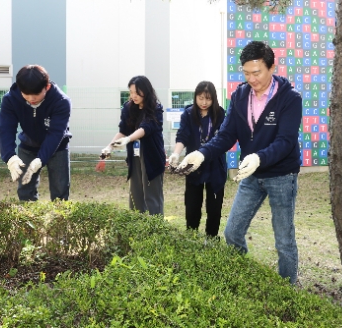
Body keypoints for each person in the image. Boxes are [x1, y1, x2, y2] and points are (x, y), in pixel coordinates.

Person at [176, 41, 302, 284]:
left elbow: (286, 141)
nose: (251, 79)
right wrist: (202, 154)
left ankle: (288, 289)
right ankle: (244, 280)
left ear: (272, 68)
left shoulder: (289, 98)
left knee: (283, 239)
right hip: (250, 175)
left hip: (281, 175)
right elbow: (225, 135)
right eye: (246, 73)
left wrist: (259, 157)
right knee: (232, 232)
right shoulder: (240, 95)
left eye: (257, 73)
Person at [0, 64, 72, 201]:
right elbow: (5, 128)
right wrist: (10, 157)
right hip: (28, 145)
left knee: (60, 190)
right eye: (26, 94)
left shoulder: (61, 101)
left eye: (36, 94)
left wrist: (41, 159)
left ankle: (60, 220)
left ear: (47, 87)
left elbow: (56, 134)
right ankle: (27, 220)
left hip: (57, 146)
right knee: (25, 189)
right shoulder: (11, 100)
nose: (31, 98)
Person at [169, 81, 227, 238]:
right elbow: (183, 136)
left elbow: (223, 140)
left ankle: (211, 239)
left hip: (215, 168)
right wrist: (176, 153)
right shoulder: (188, 114)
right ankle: (192, 237)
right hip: (193, 168)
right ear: (195, 97)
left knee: (214, 208)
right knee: (192, 206)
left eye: (208, 99)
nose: (204, 102)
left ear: (213, 99)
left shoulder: (220, 114)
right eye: (200, 98)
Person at [102, 75, 165, 215]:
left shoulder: (156, 108)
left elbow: (146, 128)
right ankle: (138, 229)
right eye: (131, 92)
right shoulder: (128, 108)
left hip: (151, 157)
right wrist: (109, 146)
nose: (133, 96)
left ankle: (156, 231)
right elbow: (123, 131)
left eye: (137, 92)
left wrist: (129, 139)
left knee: (152, 197)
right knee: (135, 195)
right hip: (134, 156)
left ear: (146, 91)